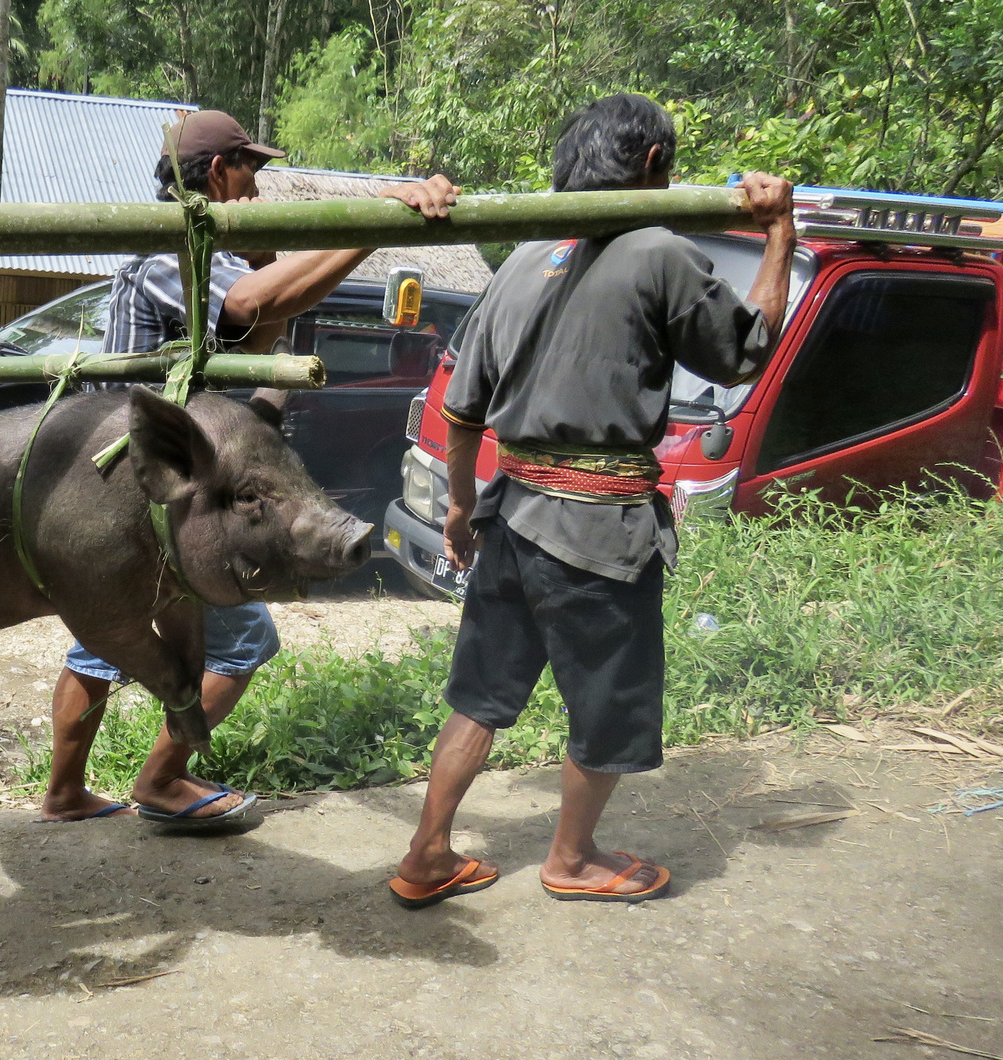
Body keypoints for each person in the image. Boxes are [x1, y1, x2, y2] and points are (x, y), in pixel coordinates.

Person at [388, 94, 796, 908]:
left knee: (480, 696)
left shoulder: (526, 255)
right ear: (652, 165)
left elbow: (464, 413)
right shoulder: (659, 252)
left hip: (508, 518)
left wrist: (462, 510)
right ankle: (571, 859)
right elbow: (747, 353)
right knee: (611, 702)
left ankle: (426, 854)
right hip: (600, 529)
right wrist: (781, 230)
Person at [39, 110, 459, 824]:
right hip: (145, 495)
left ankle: (64, 793)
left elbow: (259, 330)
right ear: (215, 174)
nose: (258, 189)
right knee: (246, 637)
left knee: (106, 637)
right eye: (251, 172)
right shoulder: (175, 252)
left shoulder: (199, 257)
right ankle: (162, 780)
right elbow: (250, 303)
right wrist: (374, 221)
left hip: (132, 490)